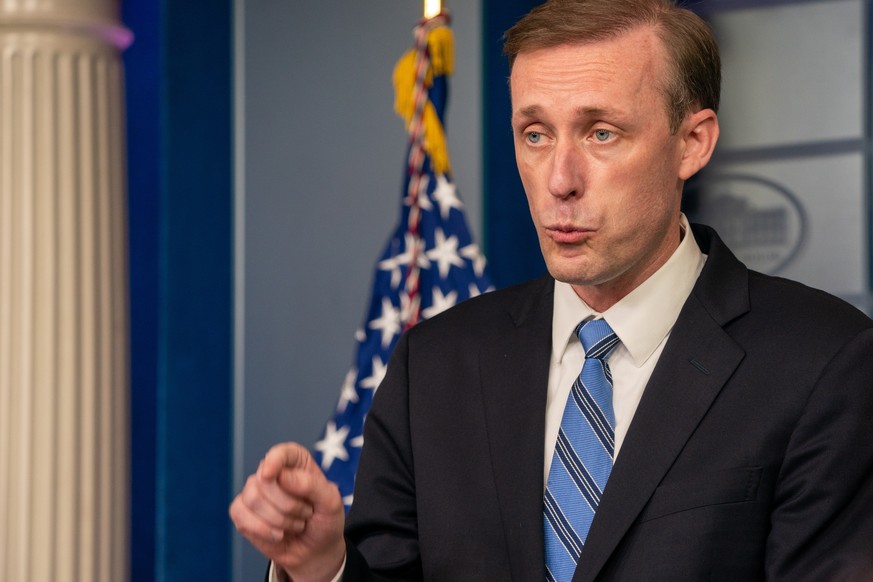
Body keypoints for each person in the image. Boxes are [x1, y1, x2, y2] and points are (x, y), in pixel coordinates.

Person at [230, 0, 873, 580]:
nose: (560, 180)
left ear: (692, 143)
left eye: (601, 133)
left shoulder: (826, 361)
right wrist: (324, 567)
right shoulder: (433, 363)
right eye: (535, 134)